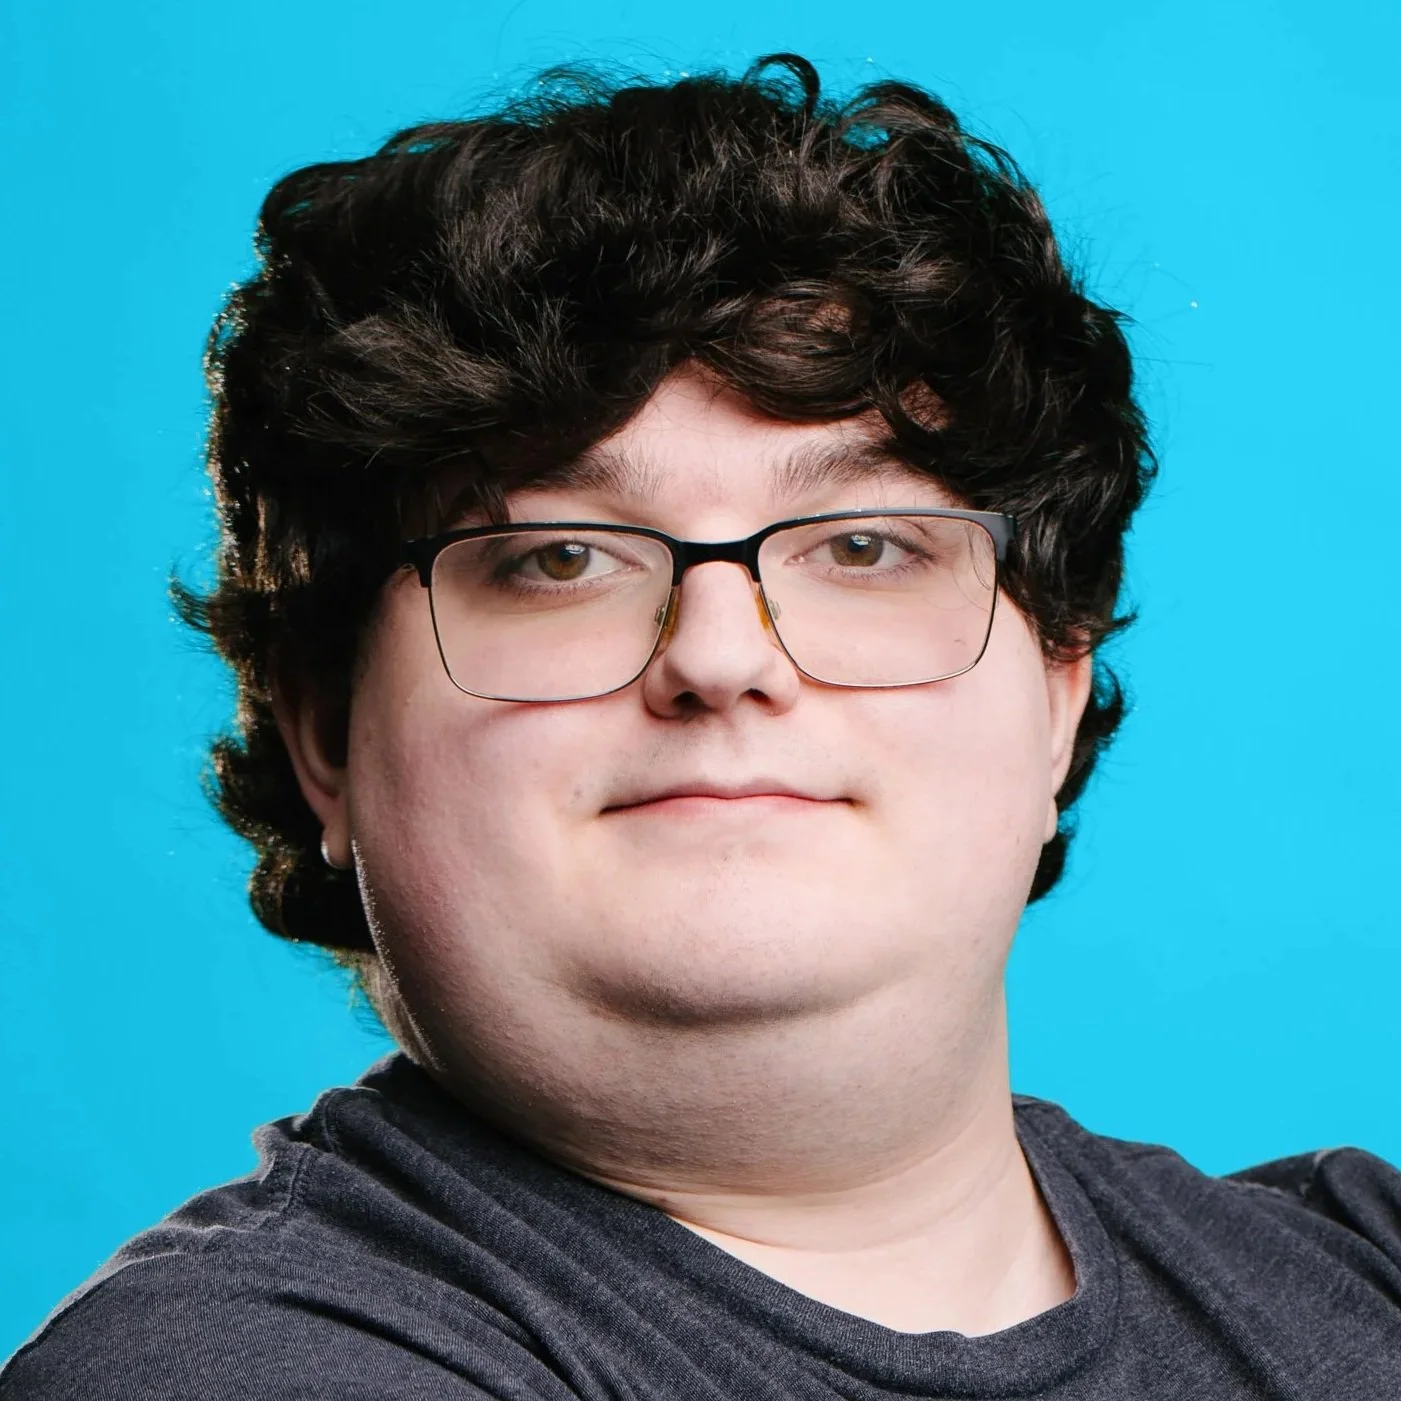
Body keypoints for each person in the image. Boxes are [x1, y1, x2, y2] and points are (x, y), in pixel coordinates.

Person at [4, 50, 1399, 1400]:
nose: (724, 658)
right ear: (324, 736)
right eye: (558, 558)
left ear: (1056, 692)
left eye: (863, 547)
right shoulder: (226, 1370)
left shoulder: (1366, 1265)